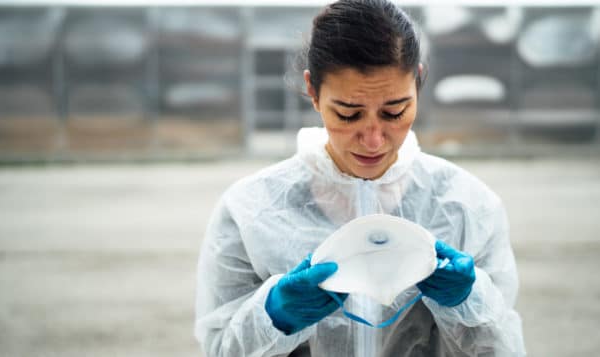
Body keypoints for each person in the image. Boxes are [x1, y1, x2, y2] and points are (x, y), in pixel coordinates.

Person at [194, 0, 526, 356]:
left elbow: (502, 350)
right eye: (348, 114)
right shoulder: (250, 211)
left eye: (394, 112)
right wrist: (272, 315)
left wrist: (471, 303)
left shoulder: (467, 207)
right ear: (313, 91)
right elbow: (219, 349)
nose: (373, 140)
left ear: (418, 81)